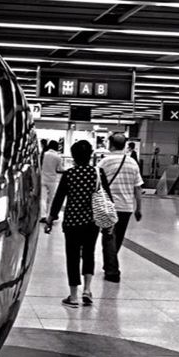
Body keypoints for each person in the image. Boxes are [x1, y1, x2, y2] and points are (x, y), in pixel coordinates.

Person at [44, 140, 112, 308]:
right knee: (89, 253)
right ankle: (87, 290)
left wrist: (50, 219)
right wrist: (109, 221)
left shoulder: (70, 174)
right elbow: (107, 197)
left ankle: (73, 296)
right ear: (90, 155)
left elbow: (59, 198)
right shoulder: (98, 173)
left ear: (73, 156)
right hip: (92, 221)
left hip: (72, 221)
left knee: (72, 257)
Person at [97, 132, 143, 283]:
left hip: (108, 206)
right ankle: (111, 264)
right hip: (126, 208)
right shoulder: (132, 163)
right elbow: (138, 188)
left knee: (108, 237)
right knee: (118, 238)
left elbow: (96, 183)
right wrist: (139, 208)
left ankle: (111, 269)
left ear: (111, 144)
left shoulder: (104, 162)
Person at [40, 140, 63, 223]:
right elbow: (60, 169)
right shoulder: (58, 157)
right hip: (52, 180)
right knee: (51, 199)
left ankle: (42, 216)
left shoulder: (44, 154)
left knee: (42, 198)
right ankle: (49, 215)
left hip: (42, 178)